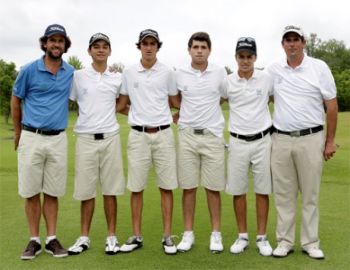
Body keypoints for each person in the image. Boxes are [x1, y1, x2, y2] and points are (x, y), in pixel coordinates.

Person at [267, 25, 338, 259]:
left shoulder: (319, 67)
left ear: (303, 42)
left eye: (295, 39)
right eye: (287, 40)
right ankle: (285, 241)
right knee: (284, 196)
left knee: (310, 195)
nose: (292, 44)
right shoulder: (273, 70)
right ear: (283, 44)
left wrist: (329, 141)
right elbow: (258, 96)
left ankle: (310, 242)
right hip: (281, 139)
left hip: (311, 138)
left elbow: (331, 104)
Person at [11, 24, 74, 260]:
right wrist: (18, 132)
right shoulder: (28, 70)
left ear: (65, 45)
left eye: (60, 41)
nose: (56, 44)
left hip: (57, 138)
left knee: (52, 191)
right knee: (30, 191)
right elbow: (16, 100)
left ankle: (51, 239)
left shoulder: (70, 72)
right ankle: (34, 240)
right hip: (31, 137)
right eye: (52, 40)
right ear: (45, 43)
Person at [117, 29, 178, 255]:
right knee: (136, 187)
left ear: (158, 47)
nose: (149, 47)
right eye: (145, 43)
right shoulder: (129, 72)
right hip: (138, 136)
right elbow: (121, 105)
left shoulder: (168, 72)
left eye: (153, 43)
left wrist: (177, 115)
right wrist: (137, 114)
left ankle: (167, 237)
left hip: (163, 134)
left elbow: (176, 101)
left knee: (166, 186)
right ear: (139, 46)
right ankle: (136, 236)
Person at [67, 33, 125, 256]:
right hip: (85, 139)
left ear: (110, 51)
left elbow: (123, 101)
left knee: (110, 191)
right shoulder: (78, 76)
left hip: (110, 137)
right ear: (89, 51)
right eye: (96, 46)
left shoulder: (117, 77)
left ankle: (111, 236)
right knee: (86, 191)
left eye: (105, 47)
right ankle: (84, 238)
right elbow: (75, 102)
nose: (101, 50)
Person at [175, 32, 226, 253]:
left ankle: (216, 234)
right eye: (195, 47)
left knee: (213, 188)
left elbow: (224, 96)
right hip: (187, 136)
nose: (199, 50)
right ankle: (188, 234)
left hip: (212, 135)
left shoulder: (219, 72)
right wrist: (183, 111)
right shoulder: (180, 73)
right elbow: (174, 98)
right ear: (189, 50)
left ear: (209, 50)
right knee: (188, 187)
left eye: (203, 47)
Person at [222, 37, 273, 256]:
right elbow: (215, 103)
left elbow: (276, 100)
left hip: (263, 140)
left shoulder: (266, 78)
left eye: (249, 56)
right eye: (241, 56)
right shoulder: (227, 81)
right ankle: (242, 236)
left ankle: (262, 237)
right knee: (238, 190)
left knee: (262, 190)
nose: (245, 60)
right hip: (237, 141)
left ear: (255, 57)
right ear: (236, 57)